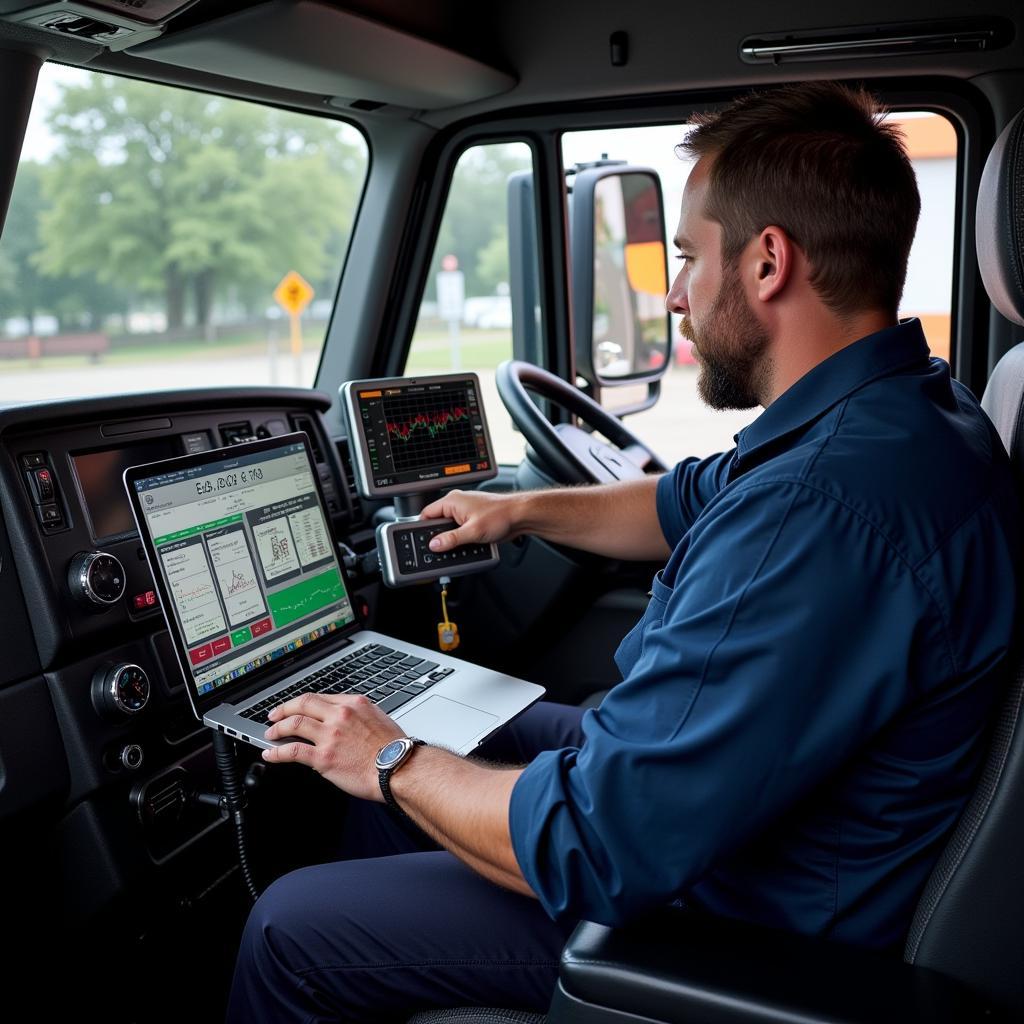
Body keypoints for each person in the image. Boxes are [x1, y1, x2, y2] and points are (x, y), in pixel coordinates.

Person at [226, 82, 1020, 1022]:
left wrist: (391, 758)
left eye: (687, 257)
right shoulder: (910, 411)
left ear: (768, 262)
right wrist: (517, 514)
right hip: (741, 819)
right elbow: (680, 499)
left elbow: (595, 846)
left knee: (291, 925)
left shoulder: (820, 512)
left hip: (737, 918)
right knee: (449, 737)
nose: (676, 294)